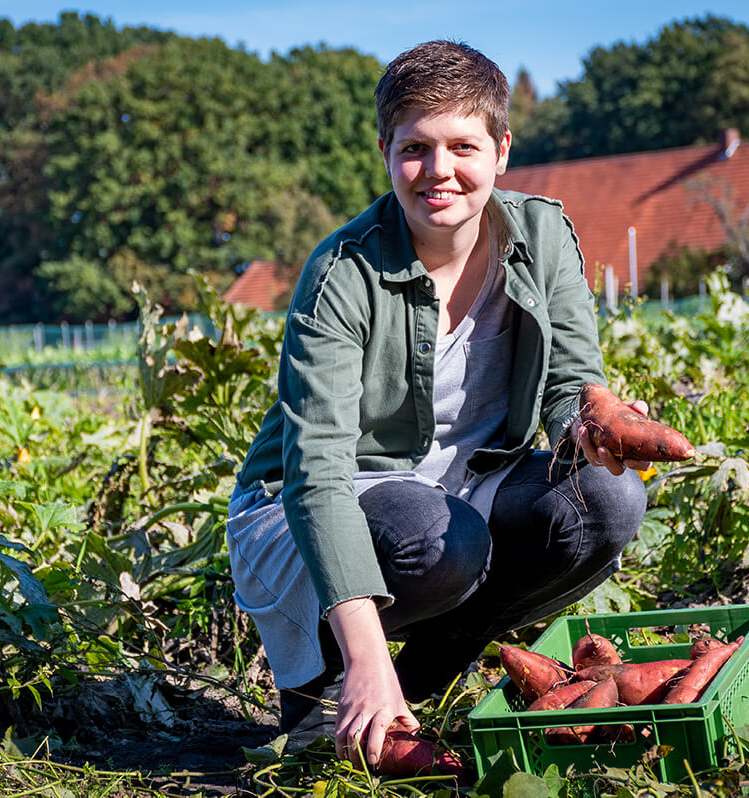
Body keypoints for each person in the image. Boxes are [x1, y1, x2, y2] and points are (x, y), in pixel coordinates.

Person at [225, 39, 649, 770]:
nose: (440, 171)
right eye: (416, 147)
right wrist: (367, 652)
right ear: (385, 150)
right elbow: (317, 475)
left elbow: (569, 382)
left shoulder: (543, 236)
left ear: (501, 150)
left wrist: (589, 419)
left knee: (608, 503)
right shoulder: (342, 273)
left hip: (469, 483)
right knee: (440, 540)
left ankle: (403, 697)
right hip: (313, 503)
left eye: (463, 145)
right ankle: (335, 693)